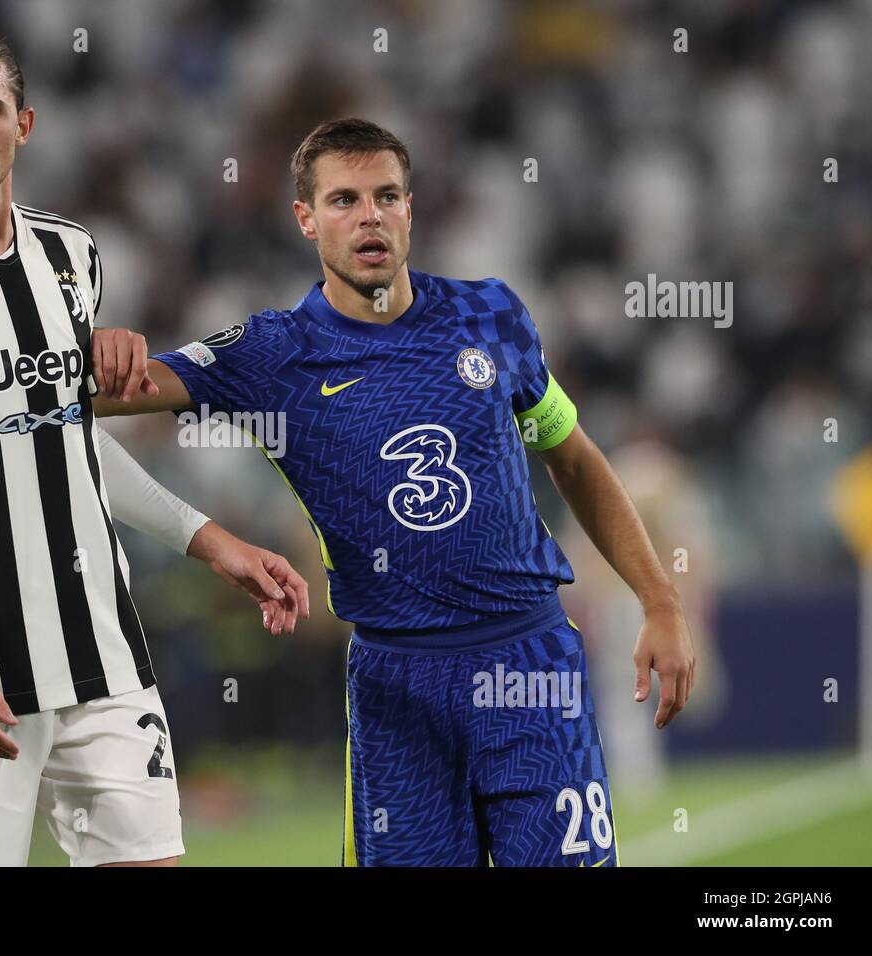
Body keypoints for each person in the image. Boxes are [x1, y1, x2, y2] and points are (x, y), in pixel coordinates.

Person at [94, 118, 696, 866]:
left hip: (531, 670)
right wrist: (89, 348)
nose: (369, 215)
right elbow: (96, 395)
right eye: (344, 200)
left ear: (411, 209)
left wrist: (660, 603)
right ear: (305, 218)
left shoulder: (491, 314)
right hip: (396, 690)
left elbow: (571, 458)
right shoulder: (271, 355)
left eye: (386, 196)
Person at [0, 32, 307, 867]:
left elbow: (62, 441)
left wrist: (209, 540)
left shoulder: (70, 254)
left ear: (26, 124)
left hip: (100, 652)